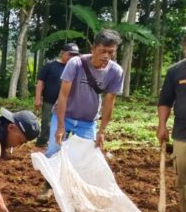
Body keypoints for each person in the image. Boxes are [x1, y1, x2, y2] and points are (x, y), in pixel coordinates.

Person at [37, 29, 124, 202]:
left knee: (84, 158)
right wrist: (60, 126)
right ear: (93, 48)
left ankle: (76, 194)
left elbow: (109, 103)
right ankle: (48, 186)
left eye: (111, 52)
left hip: (88, 122)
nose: (106, 56)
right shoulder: (75, 64)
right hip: (65, 116)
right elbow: (63, 95)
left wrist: (102, 131)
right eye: (103, 51)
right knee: (54, 150)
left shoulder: (116, 71)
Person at [157, 25, 186, 212]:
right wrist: (162, 125)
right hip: (184, 132)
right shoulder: (175, 71)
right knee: (185, 179)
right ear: (185, 49)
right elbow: (165, 101)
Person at [34, 43, 80, 148]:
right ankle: (42, 144)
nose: (72, 57)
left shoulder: (77, 69)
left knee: (64, 125)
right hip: (50, 102)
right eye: (69, 54)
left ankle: (59, 145)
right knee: (47, 123)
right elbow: (40, 82)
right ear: (62, 53)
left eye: (74, 55)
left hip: (68, 104)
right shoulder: (50, 66)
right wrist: (37, 98)